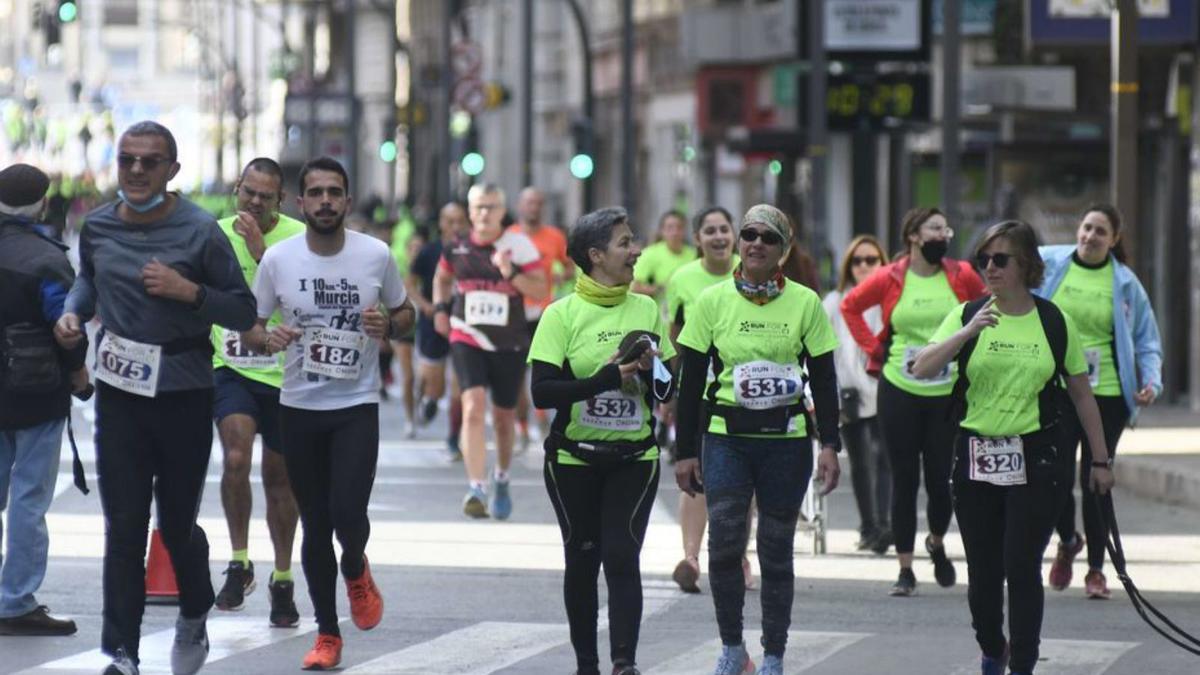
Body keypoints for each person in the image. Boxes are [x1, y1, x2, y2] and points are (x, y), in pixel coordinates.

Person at [55, 121, 257, 675]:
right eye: (127, 161)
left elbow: (242, 312)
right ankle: (121, 651)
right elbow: (86, 281)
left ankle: (195, 609)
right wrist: (72, 312)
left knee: (173, 527)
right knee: (123, 528)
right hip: (119, 396)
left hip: (185, 393)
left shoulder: (199, 231)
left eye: (151, 161)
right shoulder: (97, 225)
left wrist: (188, 291)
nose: (138, 171)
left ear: (172, 170)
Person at [912, 219, 1114, 675]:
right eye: (983, 259)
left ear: (1025, 264)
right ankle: (991, 645)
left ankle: (1022, 663)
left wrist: (1100, 460)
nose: (989, 267)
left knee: (1021, 565)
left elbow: (1082, 394)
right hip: (976, 456)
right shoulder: (967, 313)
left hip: (1037, 458)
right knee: (984, 576)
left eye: (1000, 259)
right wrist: (968, 332)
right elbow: (921, 368)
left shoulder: (1053, 320)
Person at [243, 156, 415, 670]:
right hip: (298, 407)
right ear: (300, 203)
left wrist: (389, 323)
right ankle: (327, 634)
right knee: (315, 525)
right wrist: (266, 336)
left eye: (333, 193)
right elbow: (250, 328)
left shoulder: (375, 254)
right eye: (314, 193)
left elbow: (406, 314)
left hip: (355, 405)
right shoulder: (278, 260)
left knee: (347, 514)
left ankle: (356, 564)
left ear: (347, 199)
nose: (324, 201)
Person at [674, 204, 842, 675]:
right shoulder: (712, 301)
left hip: (785, 441)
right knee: (725, 544)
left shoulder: (806, 303)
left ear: (783, 250)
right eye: (748, 234)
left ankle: (773, 654)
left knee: (775, 547)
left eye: (768, 238)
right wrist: (685, 451)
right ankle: (732, 648)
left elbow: (824, 379)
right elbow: (690, 383)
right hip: (726, 437)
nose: (755, 244)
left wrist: (830, 444)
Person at [529, 206, 674, 675]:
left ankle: (623, 663)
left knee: (621, 554)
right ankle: (586, 664)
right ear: (595, 255)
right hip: (573, 459)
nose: (636, 251)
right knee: (583, 558)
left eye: (633, 241)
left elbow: (671, 386)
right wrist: (606, 377)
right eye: (625, 243)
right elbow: (542, 392)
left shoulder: (646, 308)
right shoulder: (561, 314)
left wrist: (655, 370)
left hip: (635, 457)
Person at [840, 207, 985, 594]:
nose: (944, 236)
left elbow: (987, 308)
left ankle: (936, 542)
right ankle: (905, 569)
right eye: (935, 229)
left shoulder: (961, 276)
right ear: (914, 236)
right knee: (903, 478)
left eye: (946, 229)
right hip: (899, 388)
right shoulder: (890, 277)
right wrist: (875, 348)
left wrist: (973, 352)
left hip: (946, 392)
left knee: (941, 480)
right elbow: (849, 306)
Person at [1037, 204, 1162, 598]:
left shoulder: (1125, 283)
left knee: (1096, 479)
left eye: (1100, 232)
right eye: (1087, 228)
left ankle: (1095, 569)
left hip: (1106, 394)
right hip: (1056, 390)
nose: (1090, 237)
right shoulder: (1051, 263)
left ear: (1114, 240)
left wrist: (1151, 382)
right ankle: (1067, 540)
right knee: (1052, 476)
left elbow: (1147, 340)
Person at [208, 158, 304, 625]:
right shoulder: (213, 235)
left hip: (286, 377)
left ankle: (283, 578)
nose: (255, 202)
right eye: (249, 192)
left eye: (266, 196)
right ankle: (239, 561)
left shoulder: (298, 239)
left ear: (280, 201)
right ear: (236, 189)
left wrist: (262, 252)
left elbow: (304, 302)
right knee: (236, 459)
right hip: (232, 368)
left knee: (281, 480)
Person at [0, 163, 88, 637]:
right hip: (35, 393)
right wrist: (79, 376)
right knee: (29, 498)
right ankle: (14, 603)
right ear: (40, 203)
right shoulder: (46, 258)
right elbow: (66, 328)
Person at [432, 183, 549, 519]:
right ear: (470, 211)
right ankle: (476, 487)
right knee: (472, 406)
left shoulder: (518, 245)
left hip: (508, 341)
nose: (484, 213)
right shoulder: (457, 246)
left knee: (502, 417)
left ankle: (501, 477)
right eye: (479, 207)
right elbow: (442, 277)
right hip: (466, 335)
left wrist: (509, 272)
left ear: (502, 211)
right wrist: (441, 309)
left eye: (491, 207)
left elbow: (541, 288)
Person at [662, 206, 753, 594]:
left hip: (743, 392)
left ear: (734, 236)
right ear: (696, 239)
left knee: (742, 482)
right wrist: (669, 390)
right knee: (695, 476)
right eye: (709, 231)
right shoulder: (682, 279)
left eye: (724, 230)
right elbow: (674, 335)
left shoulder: (753, 270)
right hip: (697, 391)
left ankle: (739, 556)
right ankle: (692, 558)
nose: (718, 236)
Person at [822, 235, 891, 551]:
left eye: (871, 260)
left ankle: (884, 525)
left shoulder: (890, 298)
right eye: (858, 260)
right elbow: (825, 352)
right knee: (861, 462)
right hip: (849, 390)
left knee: (885, 459)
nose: (864, 266)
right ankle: (869, 527)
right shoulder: (835, 301)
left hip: (887, 389)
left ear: (882, 263)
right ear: (848, 265)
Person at [507, 187, 575, 450]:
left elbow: (570, 267)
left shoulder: (555, 237)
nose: (533, 208)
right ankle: (522, 425)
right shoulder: (509, 236)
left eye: (538, 203)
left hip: (545, 312)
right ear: (520, 206)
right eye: (529, 203)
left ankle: (542, 416)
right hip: (514, 314)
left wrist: (561, 276)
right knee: (515, 372)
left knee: (543, 367)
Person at [408, 202, 469, 459]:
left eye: (459, 221)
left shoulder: (472, 251)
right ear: (441, 223)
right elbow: (409, 283)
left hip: (463, 322)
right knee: (438, 386)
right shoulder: (429, 251)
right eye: (450, 221)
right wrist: (426, 306)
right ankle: (429, 397)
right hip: (433, 322)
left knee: (460, 386)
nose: (455, 226)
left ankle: (454, 439)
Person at [631, 210, 696, 303]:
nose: (675, 232)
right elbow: (634, 287)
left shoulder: (693, 254)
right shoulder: (650, 254)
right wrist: (662, 289)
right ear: (662, 231)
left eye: (679, 227)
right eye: (670, 228)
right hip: (660, 313)